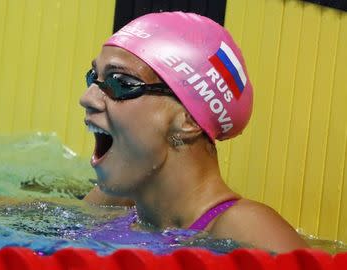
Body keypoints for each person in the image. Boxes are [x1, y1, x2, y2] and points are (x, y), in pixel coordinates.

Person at [79, 11, 308, 253]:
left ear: (188, 119)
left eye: (121, 82)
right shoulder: (118, 204)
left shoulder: (244, 227)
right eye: (94, 77)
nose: (87, 98)